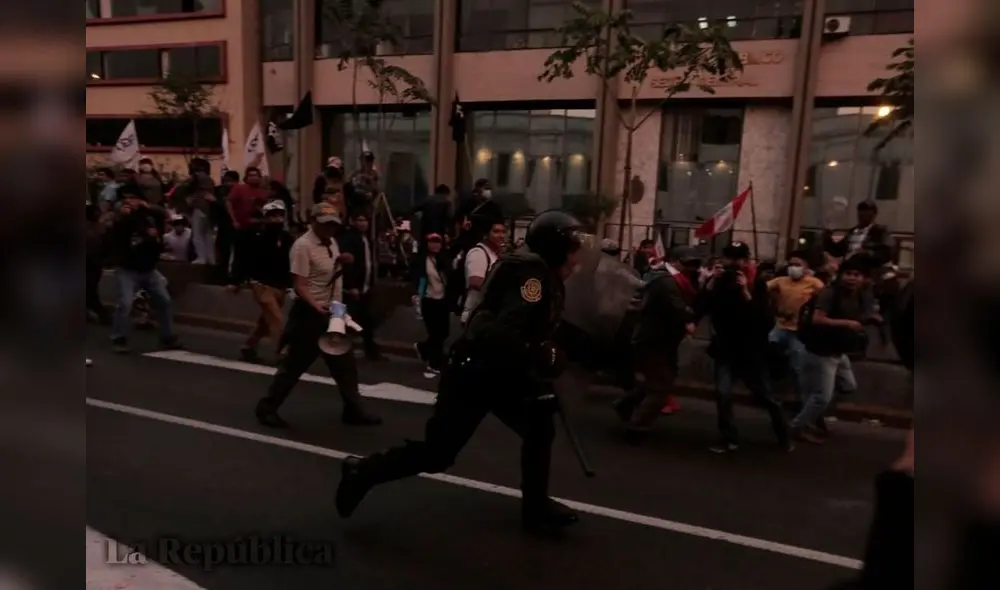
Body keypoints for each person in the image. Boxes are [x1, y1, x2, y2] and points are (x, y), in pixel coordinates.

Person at [335, 209, 586, 533]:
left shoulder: (543, 275)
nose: (577, 257)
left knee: (540, 427)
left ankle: (536, 509)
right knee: (438, 453)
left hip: (503, 372)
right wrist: (542, 354)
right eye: (573, 249)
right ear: (556, 249)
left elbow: (537, 327)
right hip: (474, 373)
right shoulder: (532, 279)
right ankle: (363, 472)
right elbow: (503, 334)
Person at [255, 202, 382, 428]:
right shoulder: (303, 246)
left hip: (333, 311)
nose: (329, 228)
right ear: (313, 222)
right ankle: (267, 407)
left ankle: (353, 409)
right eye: (325, 224)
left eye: (333, 224)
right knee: (295, 364)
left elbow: (327, 271)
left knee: (345, 365)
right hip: (311, 314)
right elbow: (300, 284)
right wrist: (315, 306)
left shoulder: (331, 242)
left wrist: (341, 261)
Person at [696, 241, 791, 453]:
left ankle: (783, 434)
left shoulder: (757, 284)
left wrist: (746, 293)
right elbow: (701, 308)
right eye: (728, 258)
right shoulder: (718, 282)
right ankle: (728, 437)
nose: (732, 263)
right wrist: (710, 285)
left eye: (738, 259)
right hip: (726, 349)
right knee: (722, 393)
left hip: (751, 351)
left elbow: (765, 322)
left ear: (746, 261)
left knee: (767, 397)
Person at [791, 255, 881, 444]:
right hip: (822, 351)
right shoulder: (830, 293)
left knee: (848, 386)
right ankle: (797, 427)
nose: (852, 278)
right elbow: (817, 319)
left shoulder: (860, 294)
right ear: (841, 275)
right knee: (821, 398)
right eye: (848, 274)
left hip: (839, 352)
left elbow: (860, 316)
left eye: (856, 275)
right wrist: (847, 323)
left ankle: (815, 414)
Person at [614, 246, 698, 441]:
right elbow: (677, 307)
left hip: (660, 340)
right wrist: (689, 318)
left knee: (656, 382)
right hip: (653, 341)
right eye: (688, 263)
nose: (692, 268)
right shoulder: (666, 281)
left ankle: (625, 405)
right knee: (660, 386)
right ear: (675, 261)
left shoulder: (674, 279)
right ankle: (637, 427)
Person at [107, 181, 182, 353]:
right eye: (125, 198)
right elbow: (112, 230)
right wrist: (121, 216)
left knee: (164, 301)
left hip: (148, 268)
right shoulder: (119, 217)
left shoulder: (149, 215)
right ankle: (119, 338)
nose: (129, 201)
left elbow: (164, 214)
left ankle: (168, 337)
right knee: (125, 303)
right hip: (127, 269)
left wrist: (145, 206)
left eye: (132, 198)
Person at [230, 200, 293, 364]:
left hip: (279, 284)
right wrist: (236, 280)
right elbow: (243, 258)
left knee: (266, 320)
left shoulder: (286, 238)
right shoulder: (254, 236)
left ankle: (249, 345)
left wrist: (291, 284)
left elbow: (290, 262)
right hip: (260, 283)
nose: (276, 219)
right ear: (265, 217)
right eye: (272, 215)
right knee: (277, 318)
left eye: (279, 215)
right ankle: (283, 352)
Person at [767, 250, 825, 405]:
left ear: (806, 267)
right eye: (791, 264)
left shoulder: (814, 283)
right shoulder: (781, 281)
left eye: (797, 264)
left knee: (798, 368)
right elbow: (762, 288)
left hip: (799, 331)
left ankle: (803, 402)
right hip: (780, 326)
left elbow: (824, 298)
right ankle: (769, 395)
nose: (793, 267)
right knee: (769, 355)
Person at [338, 210, 384, 361]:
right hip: (352, 289)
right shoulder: (348, 239)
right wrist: (351, 285)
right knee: (347, 320)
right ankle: (339, 350)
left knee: (367, 320)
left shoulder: (368, 239)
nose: (363, 223)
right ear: (352, 221)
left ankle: (370, 350)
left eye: (365, 220)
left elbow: (370, 263)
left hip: (365, 287)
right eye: (359, 220)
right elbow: (346, 265)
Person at [412, 233, 450, 378]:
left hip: (443, 300)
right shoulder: (421, 260)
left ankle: (423, 348)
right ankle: (433, 364)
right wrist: (417, 298)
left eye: (438, 242)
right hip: (429, 300)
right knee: (436, 333)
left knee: (444, 332)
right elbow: (417, 280)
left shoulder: (443, 259)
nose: (435, 245)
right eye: (432, 242)